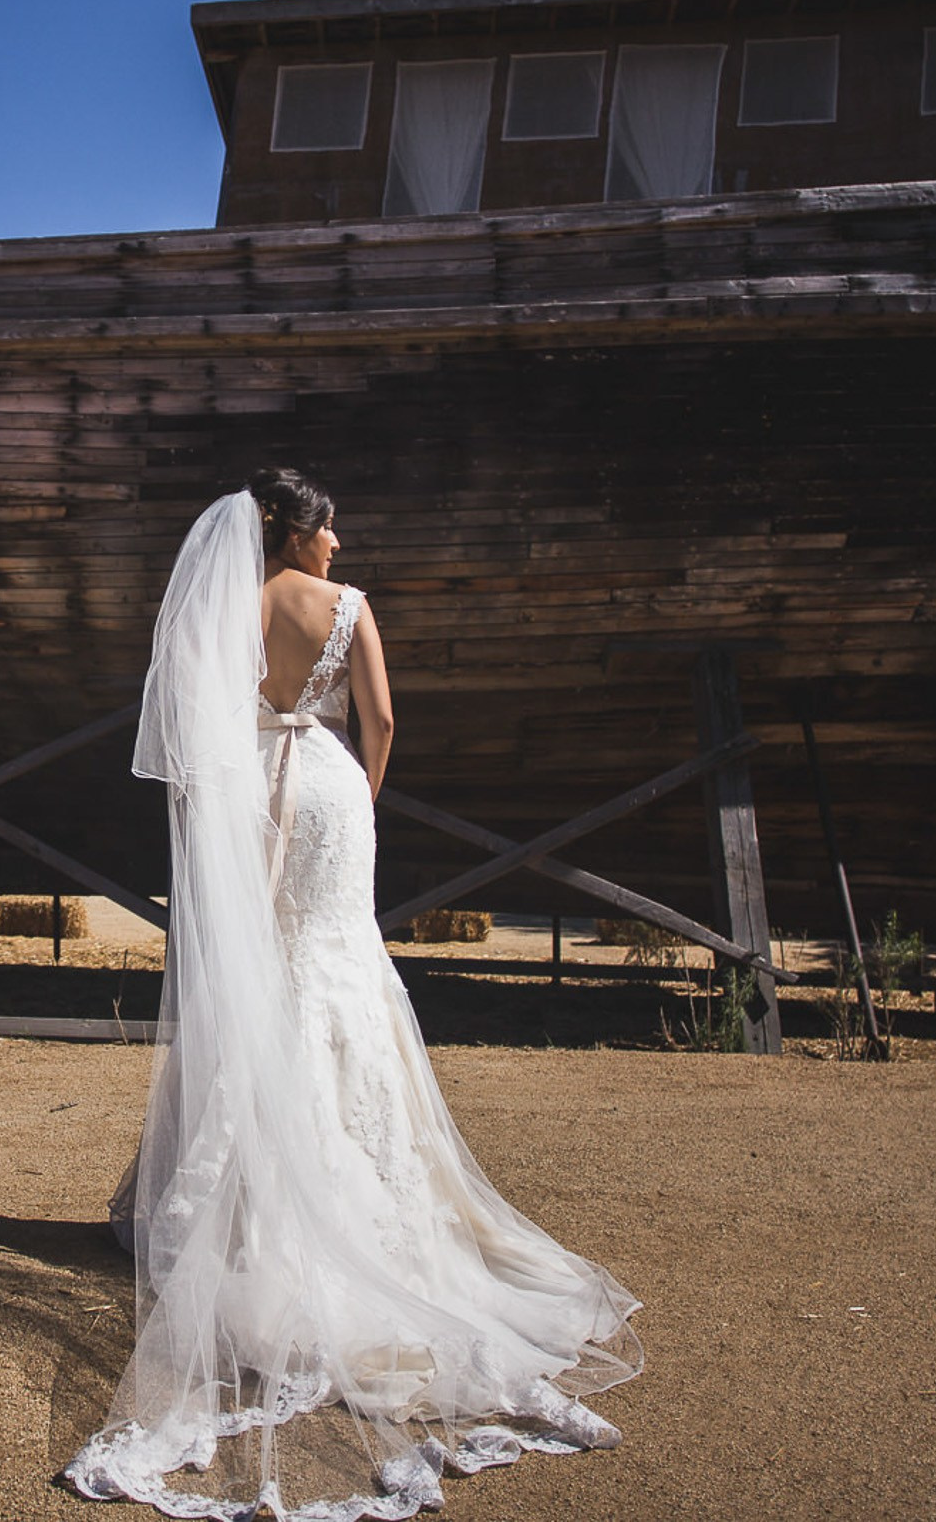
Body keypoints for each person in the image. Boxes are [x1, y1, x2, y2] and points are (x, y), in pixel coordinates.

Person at [63, 469, 642, 1519]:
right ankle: (364, 1200)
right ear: (300, 529)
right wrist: (354, 797)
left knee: (265, 976)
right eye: (330, 526)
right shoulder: (350, 608)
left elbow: (194, 741)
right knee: (334, 970)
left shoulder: (220, 608)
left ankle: (237, 1205)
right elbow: (379, 719)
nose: (340, 541)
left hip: (250, 799)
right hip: (326, 796)